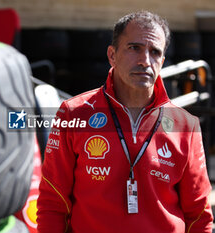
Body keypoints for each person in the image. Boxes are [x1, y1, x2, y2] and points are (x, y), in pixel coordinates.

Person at [37, 11, 214, 233]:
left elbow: (199, 215)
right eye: (134, 48)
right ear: (112, 55)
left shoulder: (186, 125)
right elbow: (53, 203)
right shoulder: (73, 114)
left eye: (155, 52)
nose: (145, 61)